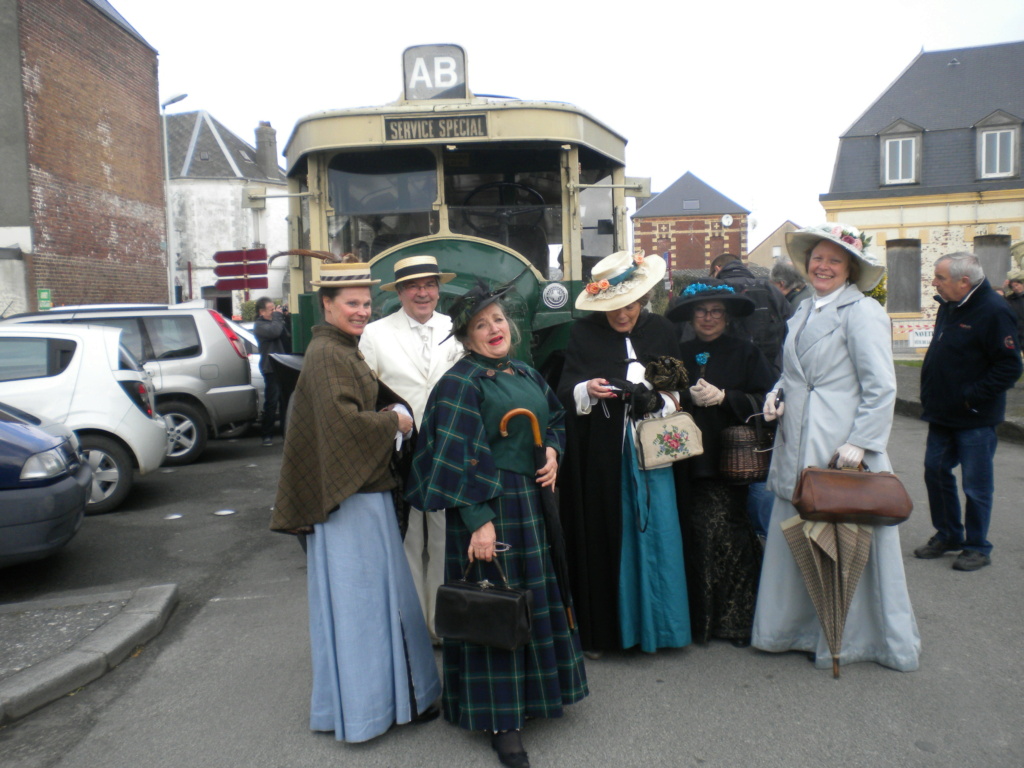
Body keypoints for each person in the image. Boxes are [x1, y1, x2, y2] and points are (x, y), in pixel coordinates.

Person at [407, 282, 587, 768]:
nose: (494, 330)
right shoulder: (460, 384)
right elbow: (455, 460)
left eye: (499, 320)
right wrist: (480, 523)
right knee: (494, 604)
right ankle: (501, 722)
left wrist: (551, 450)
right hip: (488, 507)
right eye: (481, 325)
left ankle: (534, 695)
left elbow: (554, 419)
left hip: (531, 503)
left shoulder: (523, 370)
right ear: (465, 338)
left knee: (529, 599)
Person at [270, 262, 441, 742]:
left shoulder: (340, 348)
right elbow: (343, 425)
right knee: (363, 605)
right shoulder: (329, 353)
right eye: (351, 303)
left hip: (360, 495)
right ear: (326, 305)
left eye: (367, 303)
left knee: (371, 601)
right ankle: (369, 712)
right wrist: (396, 424)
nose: (362, 311)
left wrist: (383, 411)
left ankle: (380, 704)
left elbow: (349, 412)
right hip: (353, 500)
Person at [751, 223, 921, 673]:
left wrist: (861, 443)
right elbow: (793, 371)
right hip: (797, 441)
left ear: (849, 269)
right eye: (818, 258)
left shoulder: (861, 312)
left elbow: (881, 387)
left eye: (834, 260)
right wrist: (777, 393)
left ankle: (854, 638)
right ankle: (795, 630)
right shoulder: (803, 310)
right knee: (798, 537)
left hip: (838, 448)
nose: (823, 266)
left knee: (846, 542)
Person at [558, 250, 692, 655]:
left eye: (630, 305)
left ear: (643, 299)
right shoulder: (583, 334)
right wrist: (587, 390)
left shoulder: (662, 330)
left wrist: (657, 400)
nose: (622, 315)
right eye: (614, 307)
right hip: (604, 455)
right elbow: (565, 390)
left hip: (654, 452)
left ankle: (662, 628)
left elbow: (678, 392)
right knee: (606, 534)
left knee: (659, 534)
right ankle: (608, 631)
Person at [360, 255, 463, 641]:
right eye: (413, 286)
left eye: (429, 284)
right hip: (400, 452)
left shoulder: (455, 329)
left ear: (438, 289)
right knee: (406, 539)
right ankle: (413, 626)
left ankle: (441, 625)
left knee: (442, 538)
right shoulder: (375, 334)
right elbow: (367, 393)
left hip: (446, 446)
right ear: (400, 292)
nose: (423, 292)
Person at [666, 281, 774, 647]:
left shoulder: (745, 352)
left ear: (726, 317)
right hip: (686, 460)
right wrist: (683, 395)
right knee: (694, 537)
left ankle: (737, 619)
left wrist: (728, 397)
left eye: (715, 312)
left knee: (731, 535)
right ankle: (701, 621)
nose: (708, 318)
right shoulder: (678, 352)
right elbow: (660, 396)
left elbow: (768, 400)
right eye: (701, 311)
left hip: (729, 462)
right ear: (691, 316)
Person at [914, 253, 1023, 571]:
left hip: (974, 415)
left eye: (939, 277)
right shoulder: (949, 304)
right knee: (935, 472)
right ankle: (948, 534)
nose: (934, 282)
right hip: (941, 412)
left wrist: (970, 398)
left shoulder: (994, 309)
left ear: (964, 281)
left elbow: (1009, 366)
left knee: (976, 485)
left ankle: (977, 546)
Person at [709, 252, 792, 379]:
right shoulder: (771, 290)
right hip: (769, 373)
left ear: (717, 269)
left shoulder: (712, 290)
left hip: (723, 374)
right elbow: (790, 331)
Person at [253, 296, 291, 446]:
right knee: (272, 401)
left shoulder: (276, 321)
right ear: (262, 312)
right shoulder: (259, 325)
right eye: (271, 309)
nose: (274, 311)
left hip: (283, 366)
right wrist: (278, 317)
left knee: (285, 402)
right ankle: (266, 435)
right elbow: (274, 332)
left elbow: (286, 335)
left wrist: (286, 318)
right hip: (271, 368)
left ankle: (285, 433)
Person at [1004, 276, 1024, 358]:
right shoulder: (1010, 299)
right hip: (1018, 329)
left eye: (1017, 285)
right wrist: (1004, 289)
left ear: (1022, 284)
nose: (1016, 288)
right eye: (1013, 287)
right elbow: (1001, 303)